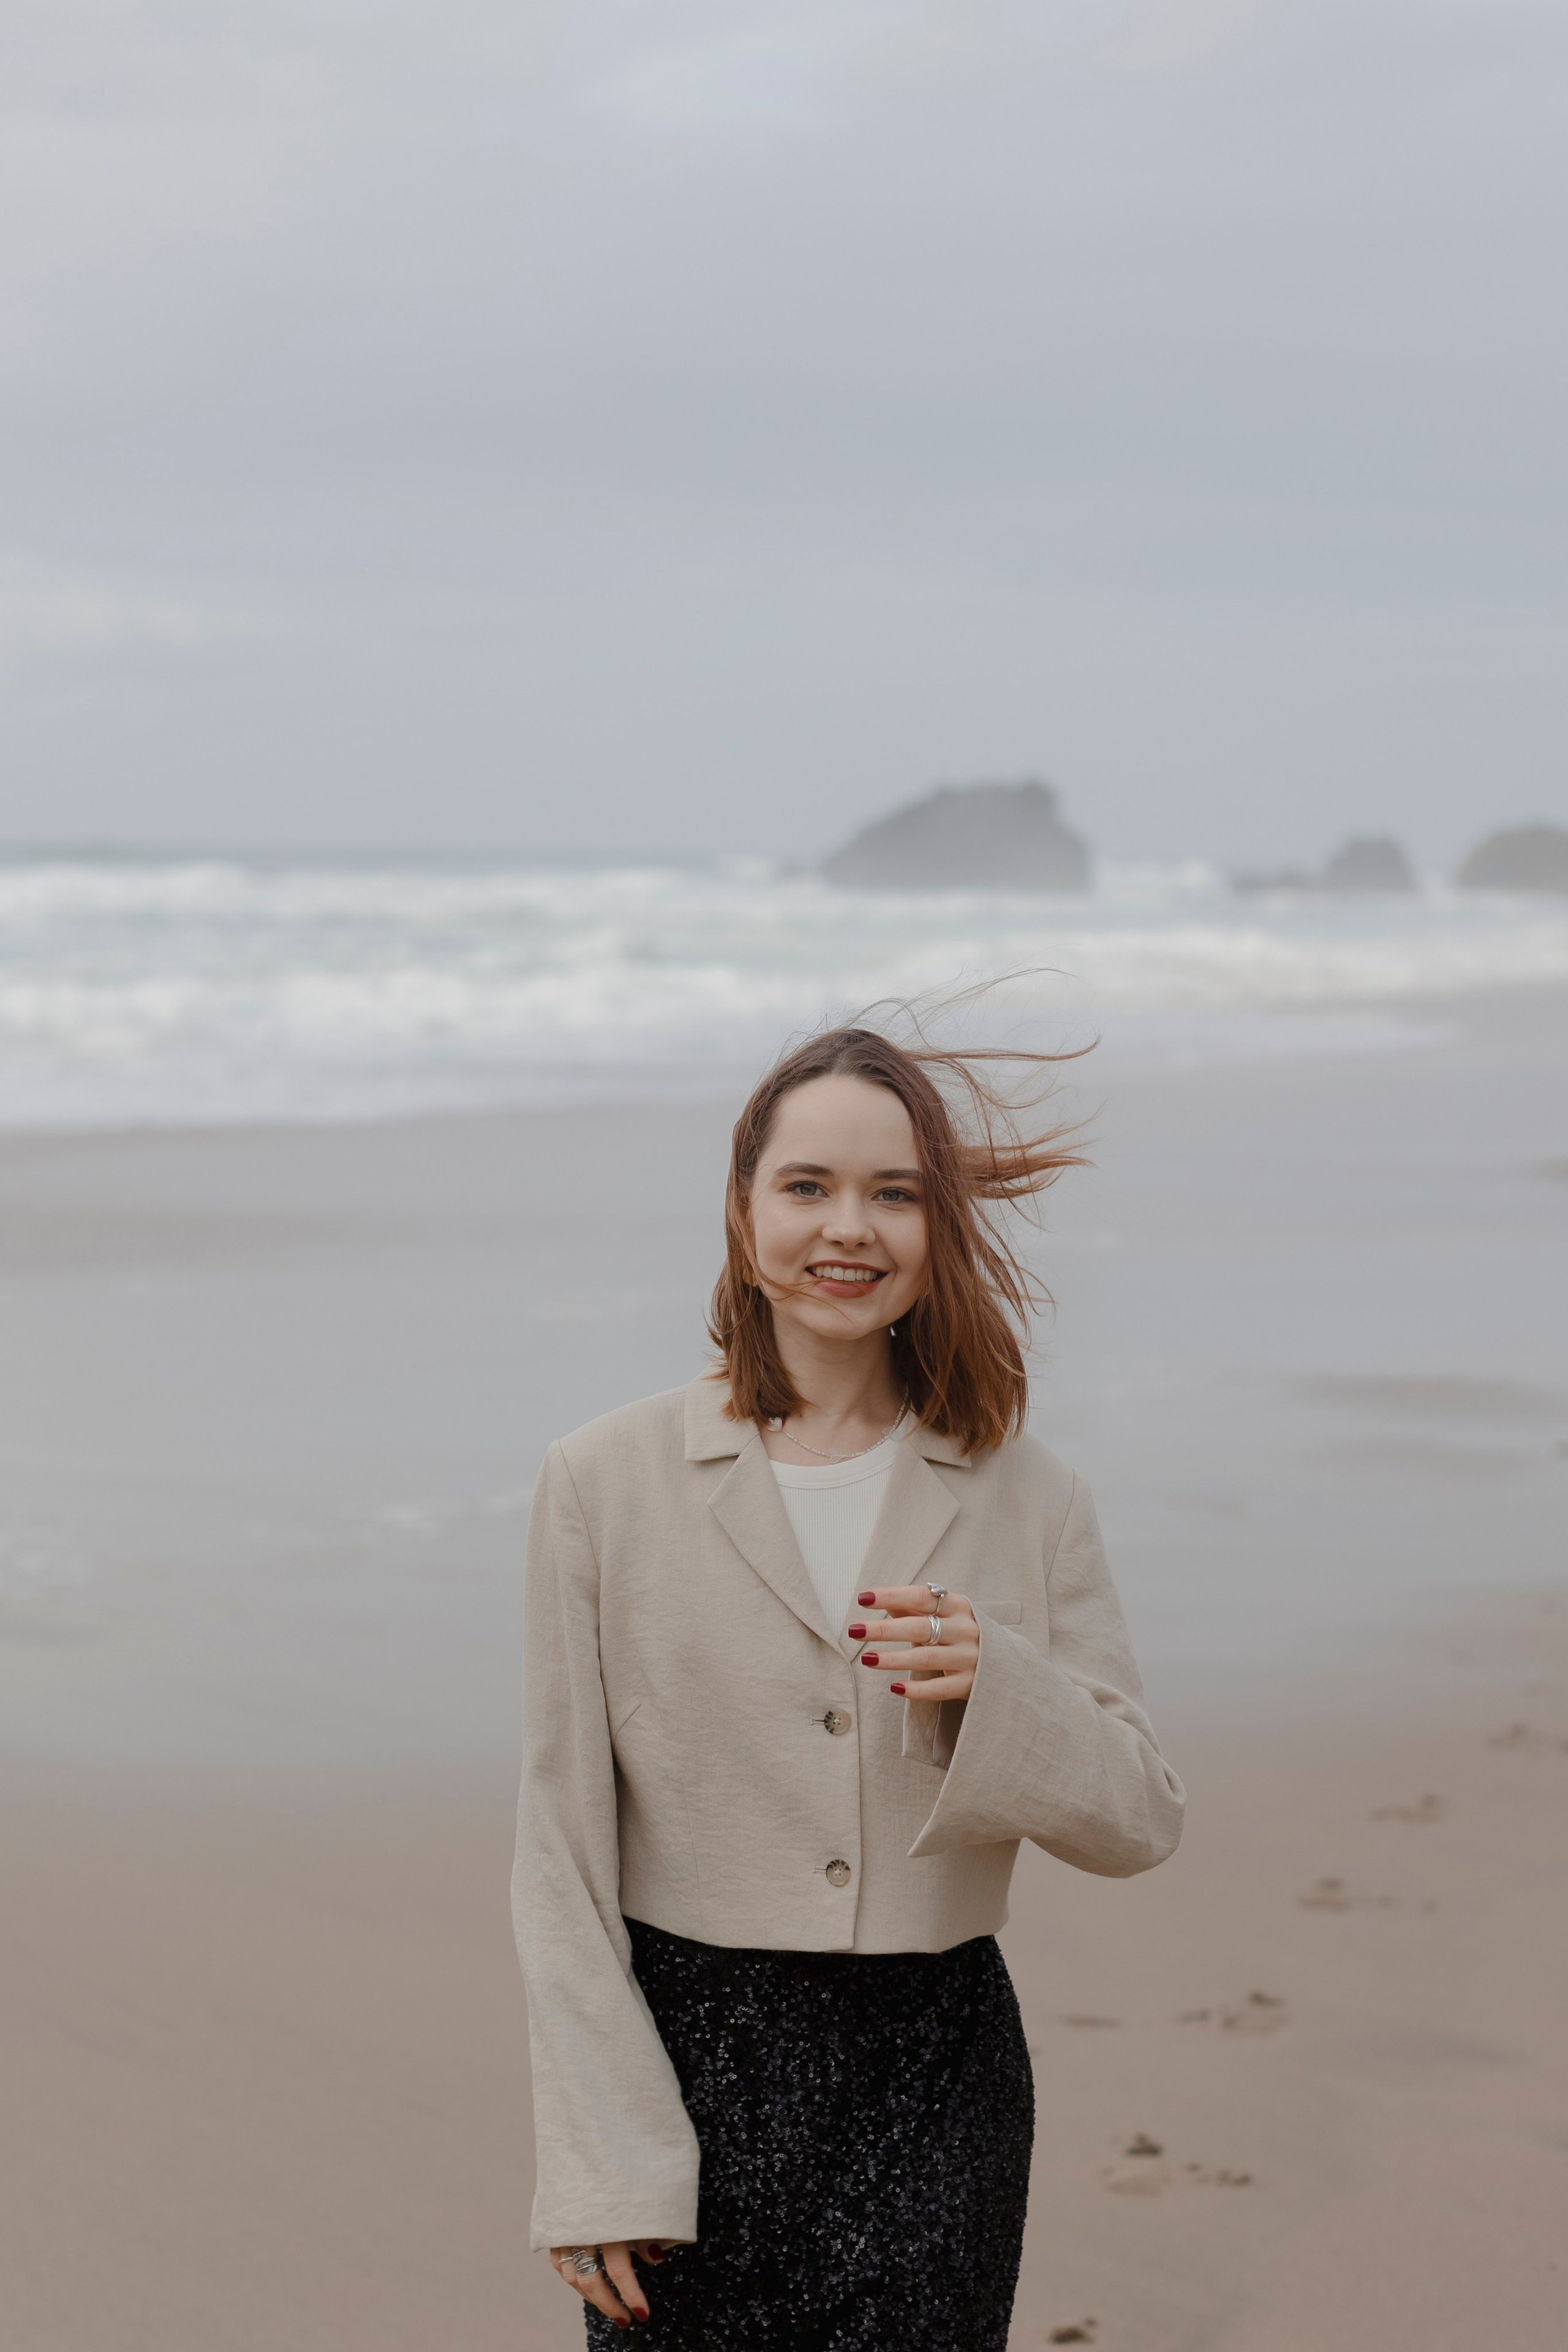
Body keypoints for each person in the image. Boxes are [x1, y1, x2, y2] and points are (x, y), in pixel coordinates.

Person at [511, 1023, 1185, 2349]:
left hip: (935, 2081)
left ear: (938, 1228)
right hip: (688, 2070)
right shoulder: (600, 1480)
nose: (849, 1229)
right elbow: (560, 1848)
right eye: (807, 1186)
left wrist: (1000, 1687)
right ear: (742, 1206)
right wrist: (598, 2158)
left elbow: (1140, 1817)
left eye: (895, 1194)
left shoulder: (1031, 1493)